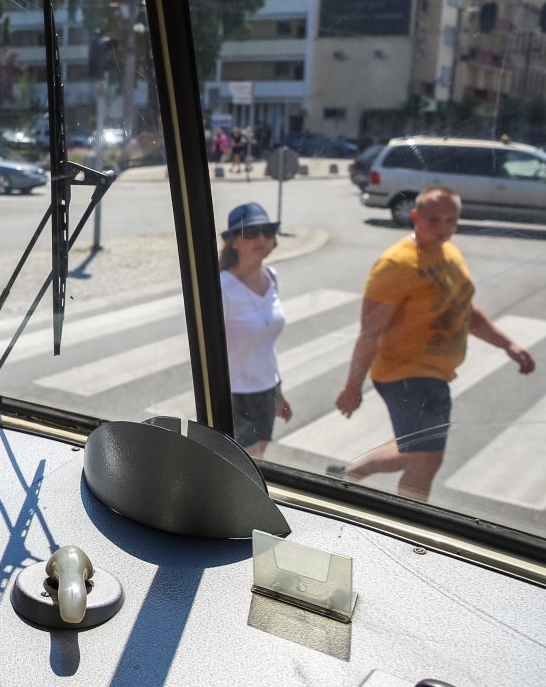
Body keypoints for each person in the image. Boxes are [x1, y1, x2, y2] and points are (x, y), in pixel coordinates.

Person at [333, 188, 536, 500]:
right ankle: (410, 528)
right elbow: (369, 332)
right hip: (406, 375)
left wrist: (508, 345)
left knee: (416, 450)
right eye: (434, 219)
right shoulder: (396, 264)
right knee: (428, 457)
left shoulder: (450, 253)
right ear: (415, 217)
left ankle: (352, 474)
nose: (443, 227)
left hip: (436, 375)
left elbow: (466, 312)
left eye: (451, 219)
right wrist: (352, 386)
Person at [218, 203, 291, 458]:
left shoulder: (272, 277)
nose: (261, 238)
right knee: (244, 466)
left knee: (258, 459)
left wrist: (278, 391)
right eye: (250, 233)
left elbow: (266, 346)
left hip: (265, 390)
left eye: (267, 231)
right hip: (233, 394)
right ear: (234, 241)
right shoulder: (222, 288)